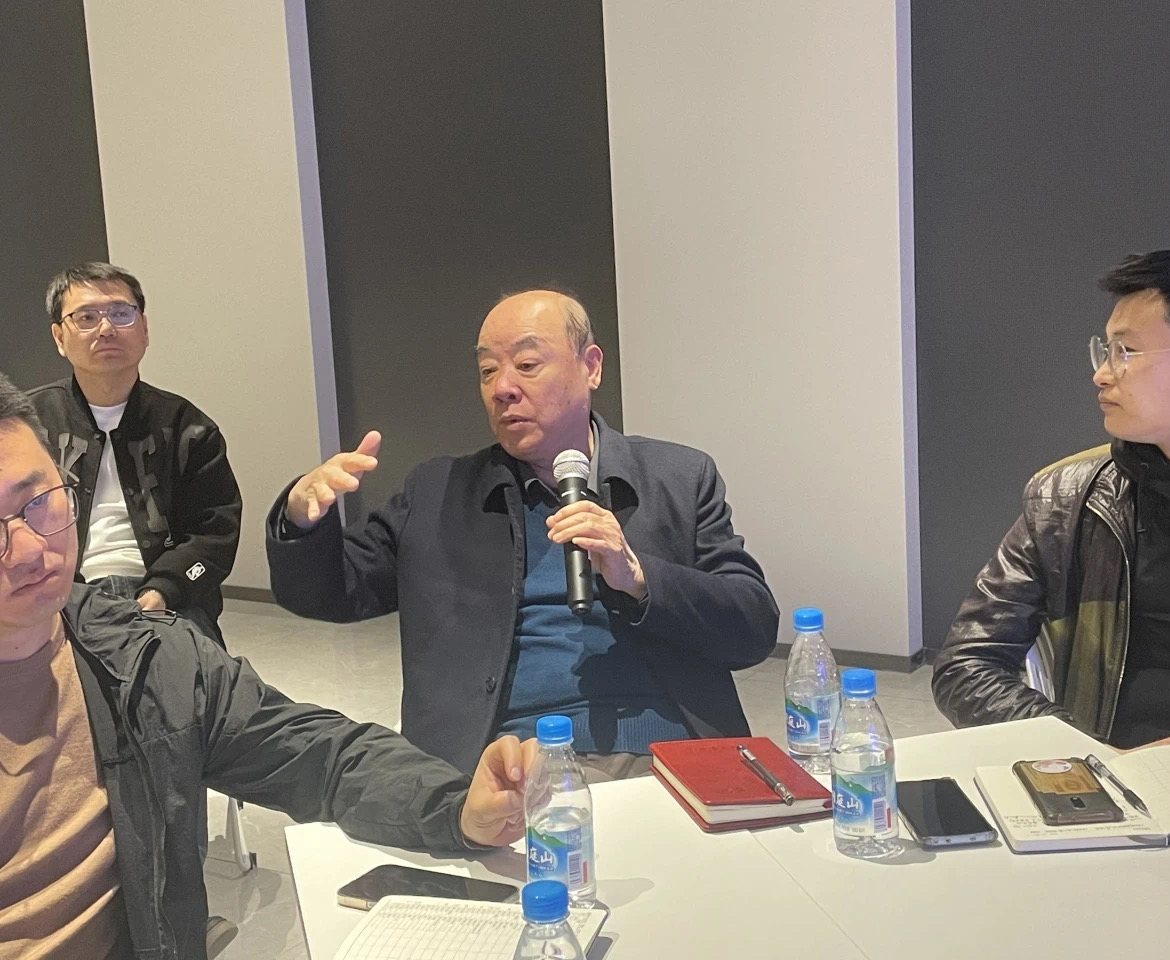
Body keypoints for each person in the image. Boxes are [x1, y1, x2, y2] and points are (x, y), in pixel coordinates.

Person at [0, 372, 534, 960]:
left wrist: (457, 808)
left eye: (38, 502)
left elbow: (322, 758)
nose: (28, 550)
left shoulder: (146, 660)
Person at [266, 289, 778, 780]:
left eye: (527, 364)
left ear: (591, 367)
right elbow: (332, 591)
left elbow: (752, 628)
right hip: (504, 763)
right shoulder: (438, 492)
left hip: (664, 754)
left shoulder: (678, 477)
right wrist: (301, 520)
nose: (502, 388)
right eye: (488, 370)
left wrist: (640, 579)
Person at [933, 248, 1170, 748]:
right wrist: (1089, 751)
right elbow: (966, 665)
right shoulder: (1063, 499)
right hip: (1108, 773)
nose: (1102, 374)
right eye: (1106, 351)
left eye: (1126, 352)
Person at [29, 262, 240, 646]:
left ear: (144, 329)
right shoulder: (27, 426)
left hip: (167, 594)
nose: (106, 328)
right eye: (86, 317)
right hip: (58, 594)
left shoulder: (188, 428)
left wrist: (163, 591)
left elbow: (214, 533)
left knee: (199, 678)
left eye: (120, 314)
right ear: (59, 337)